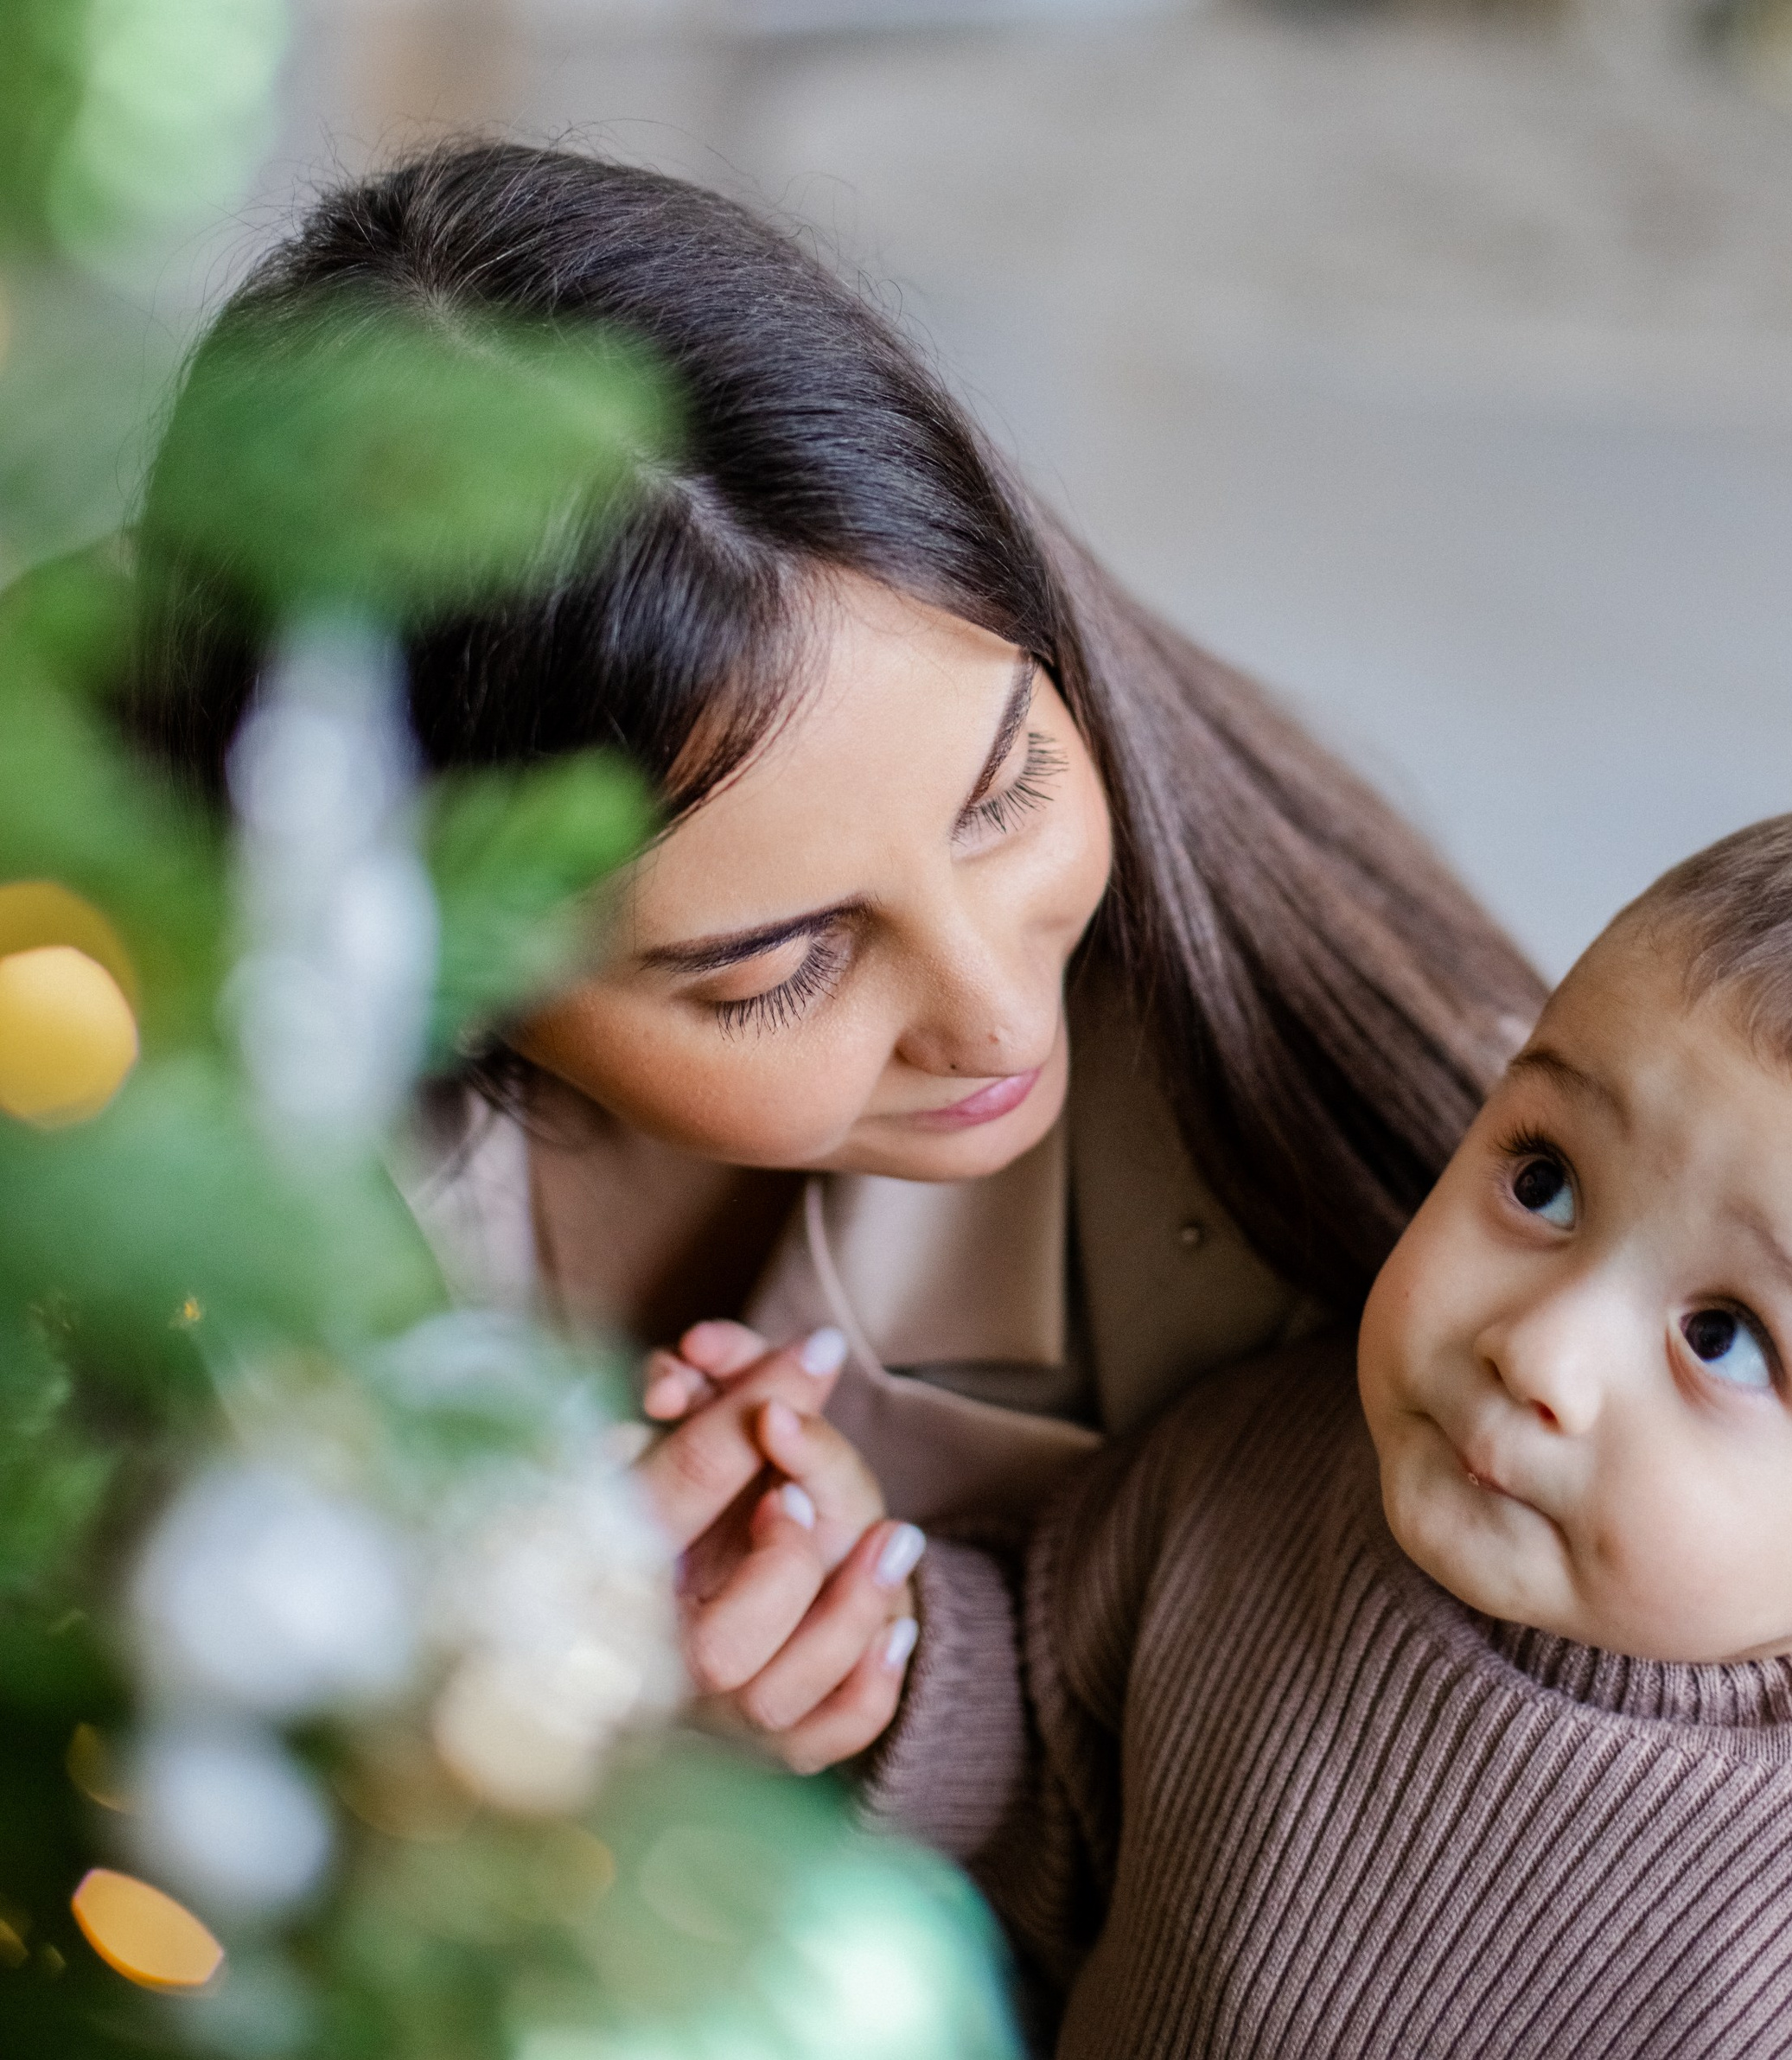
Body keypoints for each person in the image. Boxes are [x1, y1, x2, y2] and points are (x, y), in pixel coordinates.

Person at [124, 138, 1545, 1766]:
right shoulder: (119, 1081)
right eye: (773, 969)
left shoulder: (1354, 1186)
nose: (1001, 1012)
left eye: (1007, 787)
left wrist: (902, 1725)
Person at [839, 802, 1792, 2057]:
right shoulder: (1262, 1468)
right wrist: (860, 1646)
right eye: (1545, 1181)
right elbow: (1059, 1782)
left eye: (1723, 1336)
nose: (1537, 1345)